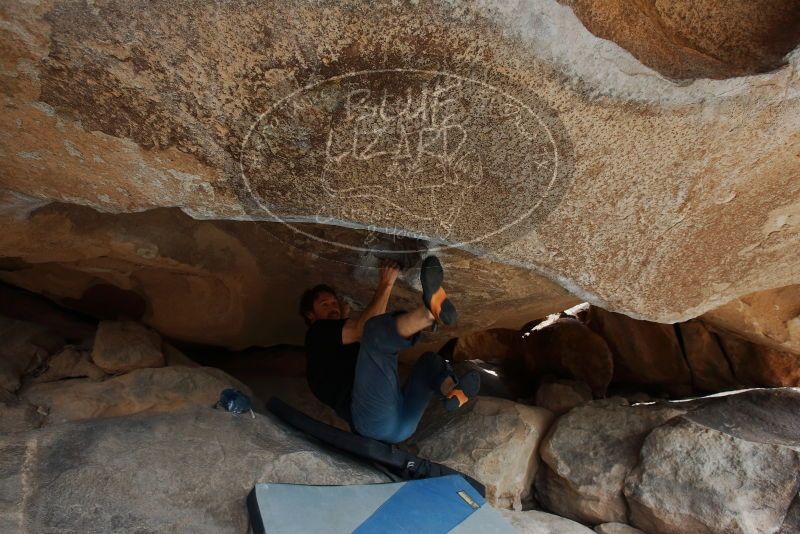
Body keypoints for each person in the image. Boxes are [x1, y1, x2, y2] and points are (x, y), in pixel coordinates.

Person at [300, 256, 479, 444]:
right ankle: (429, 312)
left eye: (334, 303)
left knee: (429, 362)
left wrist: (344, 317)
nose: (332, 307)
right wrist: (386, 283)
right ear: (310, 315)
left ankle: (452, 391)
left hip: (401, 424)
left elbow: (353, 340)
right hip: (373, 420)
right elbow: (364, 329)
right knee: (373, 332)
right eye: (324, 305)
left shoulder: (336, 350)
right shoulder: (316, 334)